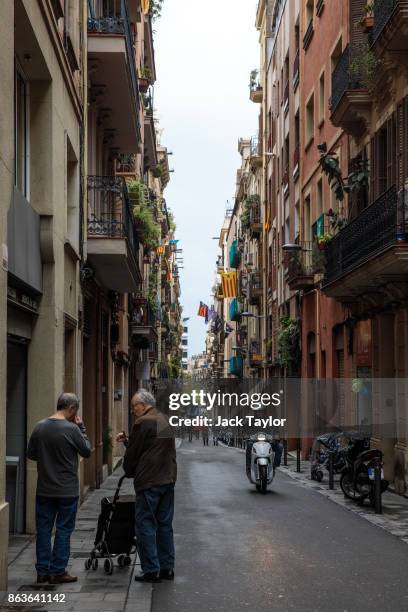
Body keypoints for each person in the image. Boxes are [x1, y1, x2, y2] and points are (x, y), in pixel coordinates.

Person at [26, 393, 91, 584]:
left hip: (44, 489)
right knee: (63, 530)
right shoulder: (72, 429)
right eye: (75, 411)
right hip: (67, 491)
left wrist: (47, 462)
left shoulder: (40, 426)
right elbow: (86, 450)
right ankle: (58, 571)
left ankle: (42, 571)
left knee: (44, 531)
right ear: (72, 409)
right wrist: (82, 427)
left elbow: (31, 454)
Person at [118, 389, 177, 583]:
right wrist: (129, 441)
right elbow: (156, 446)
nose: (133, 410)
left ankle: (151, 570)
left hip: (149, 482)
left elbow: (134, 453)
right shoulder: (164, 419)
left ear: (143, 405)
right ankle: (167, 568)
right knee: (164, 525)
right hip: (167, 479)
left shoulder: (143, 422)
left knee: (145, 525)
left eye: (134, 406)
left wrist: (128, 470)